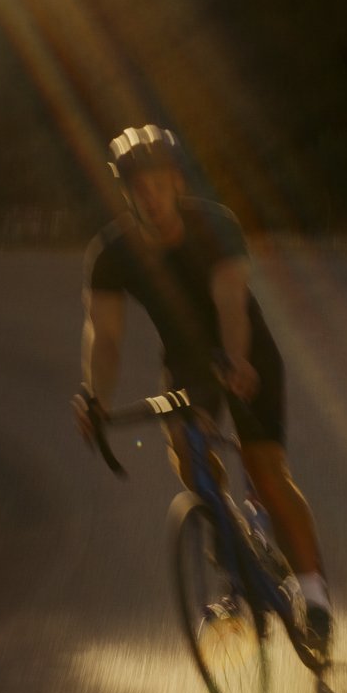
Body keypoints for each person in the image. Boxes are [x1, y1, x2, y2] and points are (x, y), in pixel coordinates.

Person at [73, 123, 333, 653]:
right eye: (136, 186)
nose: (149, 194)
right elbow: (105, 337)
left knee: (264, 469)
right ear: (126, 192)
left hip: (244, 348)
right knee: (192, 465)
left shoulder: (215, 225)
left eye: (158, 182)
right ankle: (238, 568)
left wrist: (236, 360)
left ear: (175, 182)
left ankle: (314, 594)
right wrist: (94, 397)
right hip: (188, 363)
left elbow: (231, 300)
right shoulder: (112, 253)